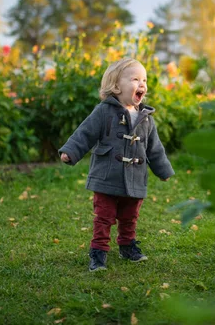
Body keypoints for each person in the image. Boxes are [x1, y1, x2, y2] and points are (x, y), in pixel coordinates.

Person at [59, 57, 174, 272]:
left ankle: (127, 246)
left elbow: (155, 148)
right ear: (116, 86)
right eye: (135, 79)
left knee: (130, 217)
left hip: (135, 177)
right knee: (104, 217)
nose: (142, 84)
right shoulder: (104, 111)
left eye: (144, 80)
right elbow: (85, 133)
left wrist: (163, 169)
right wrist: (70, 152)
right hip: (107, 176)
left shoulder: (146, 118)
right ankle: (98, 252)